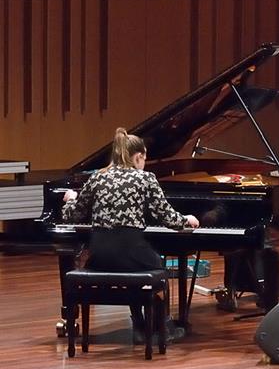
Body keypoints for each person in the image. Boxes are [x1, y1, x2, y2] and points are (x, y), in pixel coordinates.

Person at [61, 128, 200, 340]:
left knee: (136, 265)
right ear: (138, 157)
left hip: (99, 256)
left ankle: (139, 325)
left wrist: (71, 199)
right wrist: (186, 219)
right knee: (156, 265)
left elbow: (72, 215)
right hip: (131, 250)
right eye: (144, 158)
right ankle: (164, 329)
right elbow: (167, 217)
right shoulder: (145, 179)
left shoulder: (97, 178)